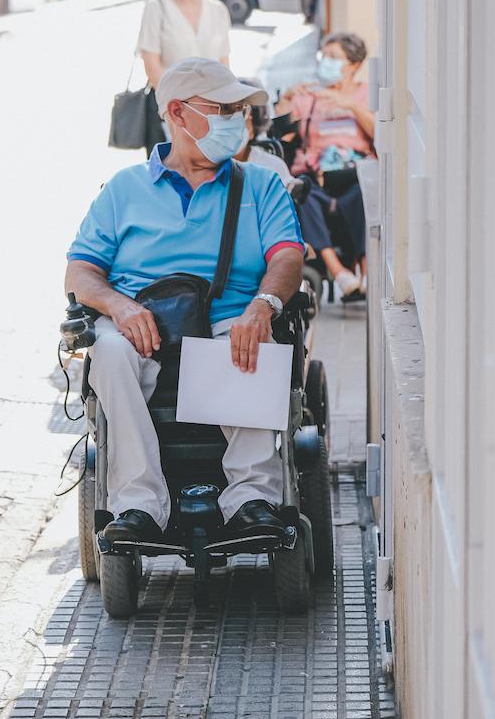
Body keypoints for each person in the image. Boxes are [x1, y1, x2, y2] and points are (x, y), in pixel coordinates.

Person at [65, 58, 304, 549]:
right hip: (143, 325)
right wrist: (119, 306)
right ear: (178, 112)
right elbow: (80, 272)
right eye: (224, 108)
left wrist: (264, 304)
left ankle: (252, 498)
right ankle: (138, 504)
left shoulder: (260, 185)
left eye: (240, 110)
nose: (237, 119)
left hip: (229, 319)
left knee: (249, 334)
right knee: (107, 350)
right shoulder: (124, 189)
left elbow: (287, 256)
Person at [274, 31, 374, 296]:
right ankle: (339, 271)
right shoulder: (309, 95)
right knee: (302, 193)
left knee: (365, 193)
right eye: (324, 56)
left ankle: (366, 271)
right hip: (315, 175)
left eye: (334, 57)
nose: (326, 62)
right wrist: (285, 101)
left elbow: (380, 133)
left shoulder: (366, 94)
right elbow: (282, 136)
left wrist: (351, 106)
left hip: (355, 174)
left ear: (353, 65)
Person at [136, 0, 233, 150]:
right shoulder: (157, 8)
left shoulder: (217, 10)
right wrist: (177, 109)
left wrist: (222, 107)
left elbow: (223, 64)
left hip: (210, 113)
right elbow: (152, 65)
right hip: (168, 110)